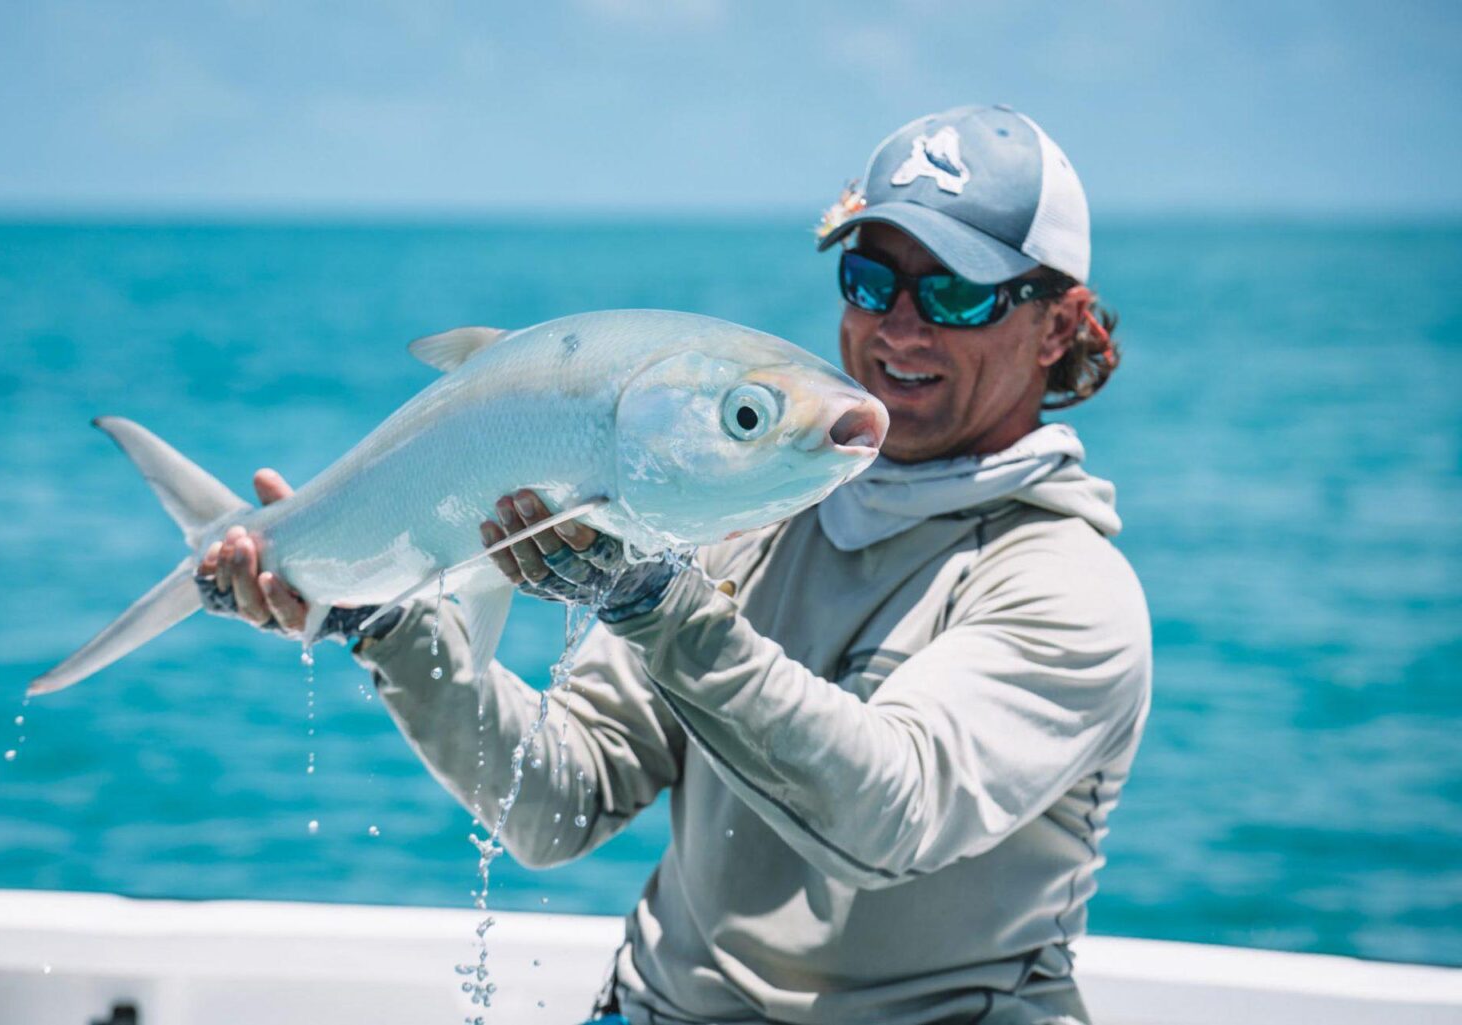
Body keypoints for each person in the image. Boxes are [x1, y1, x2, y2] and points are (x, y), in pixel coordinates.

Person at [201, 105, 1151, 1025]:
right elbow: (554, 801)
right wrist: (390, 623)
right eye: (870, 280)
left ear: (1059, 326)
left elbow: (888, 816)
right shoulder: (743, 517)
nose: (900, 327)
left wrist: (659, 606)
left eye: (956, 292)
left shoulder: (1066, 587)